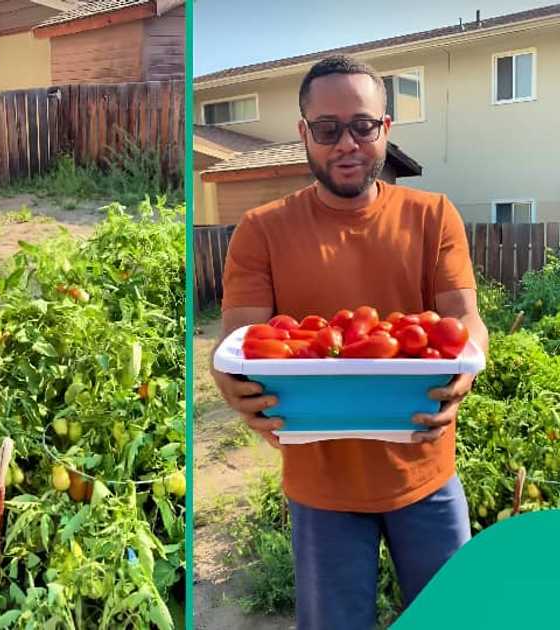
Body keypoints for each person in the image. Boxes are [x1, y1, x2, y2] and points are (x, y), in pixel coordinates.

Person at [209, 55, 489, 629]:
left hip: (425, 470)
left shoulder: (434, 216)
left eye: (362, 125)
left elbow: (465, 320)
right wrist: (228, 377)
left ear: (385, 128)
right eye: (327, 128)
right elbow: (241, 339)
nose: (346, 144)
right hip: (322, 485)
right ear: (303, 133)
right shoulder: (261, 230)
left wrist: (468, 366)